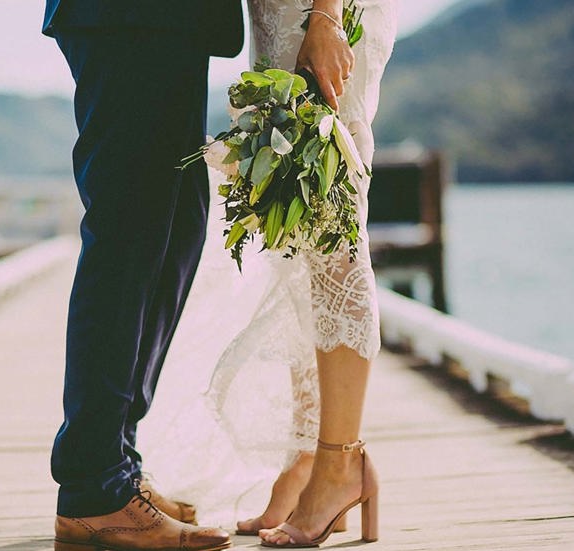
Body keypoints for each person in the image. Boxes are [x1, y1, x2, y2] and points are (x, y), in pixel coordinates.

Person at [139, 0, 399, 547]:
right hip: (278, 17)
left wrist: (327, 18)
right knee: (297, 244)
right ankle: (305, 460)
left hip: (321, 13)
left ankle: (340, 464)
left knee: (334, 233)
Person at [41, 1, 244, 550]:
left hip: (170, 18)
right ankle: (94, 485)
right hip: (124, 14)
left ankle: (116, 464)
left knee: (179, 225)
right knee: (129, 227)